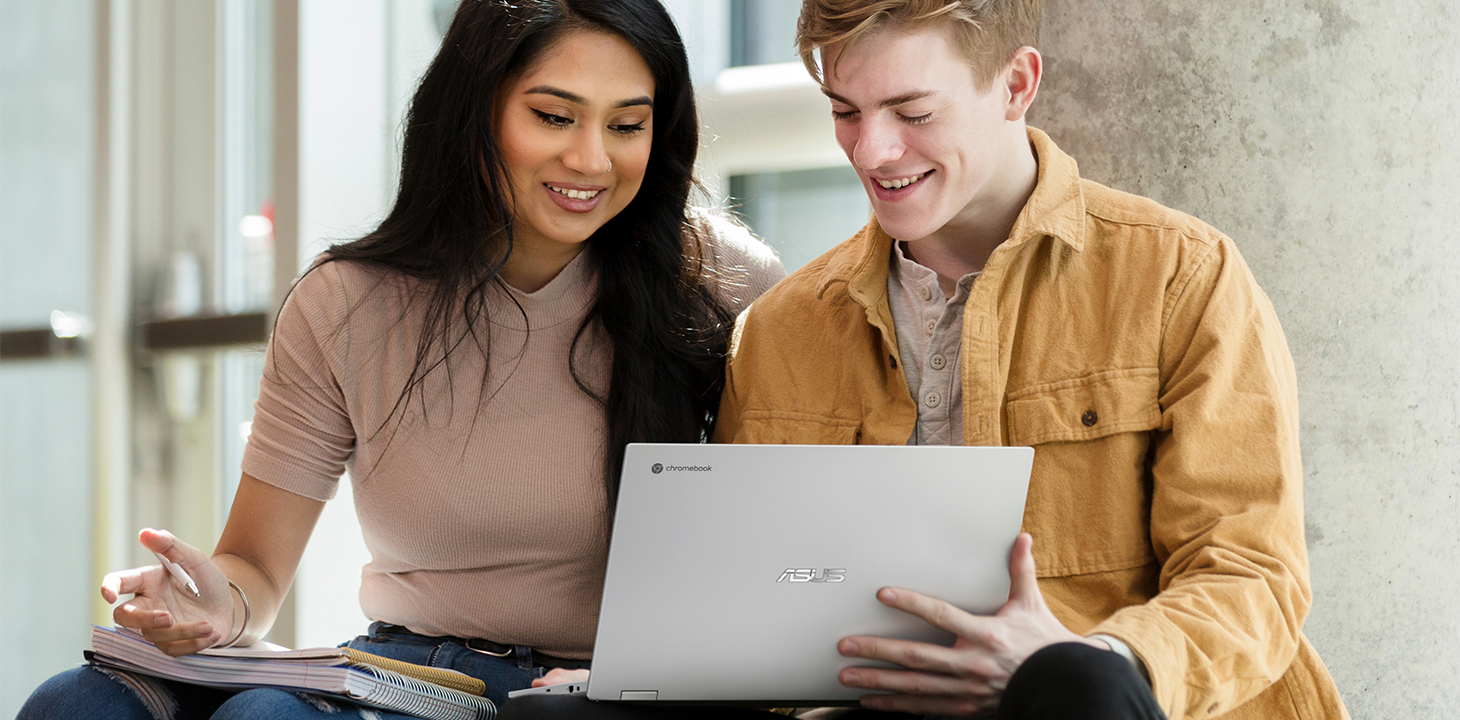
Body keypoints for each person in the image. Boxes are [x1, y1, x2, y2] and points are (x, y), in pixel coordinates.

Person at [19, 0, 783, 718]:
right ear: (475, 111)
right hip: (408, 677)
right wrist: (216, 601)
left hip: (598, 691)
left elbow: (785, 564)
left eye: (627, 125)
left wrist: (645, 672)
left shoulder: (723, 282)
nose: (591, 159)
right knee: (77, 702)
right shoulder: (347, 302)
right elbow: (253, 568)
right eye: (554, 117)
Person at [705, 1, 1352, 719]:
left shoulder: (1180, 278)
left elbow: (1251, 578)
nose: (870, 150)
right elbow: (759, 606)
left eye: (912, 113)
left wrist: (1087, 666)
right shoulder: (779, 330)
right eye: (845, 111)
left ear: (1016, 85)